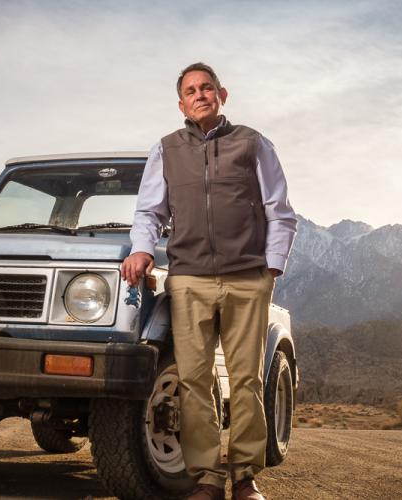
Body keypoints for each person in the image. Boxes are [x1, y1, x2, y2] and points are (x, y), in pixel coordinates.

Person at [122, 62, 297, 500]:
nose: (200, 95)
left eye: (207, 87)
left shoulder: (253, 144)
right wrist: (141, 249)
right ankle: (205, 477)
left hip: (247, 279)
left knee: (247, 380)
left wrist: (270, 267)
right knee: (194, 380)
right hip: (188, 280)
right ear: (181, 103)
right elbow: (149, 212)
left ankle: (244, 477)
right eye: (191, 90)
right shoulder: (165, 150)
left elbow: (280, 210)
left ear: (222, 94)